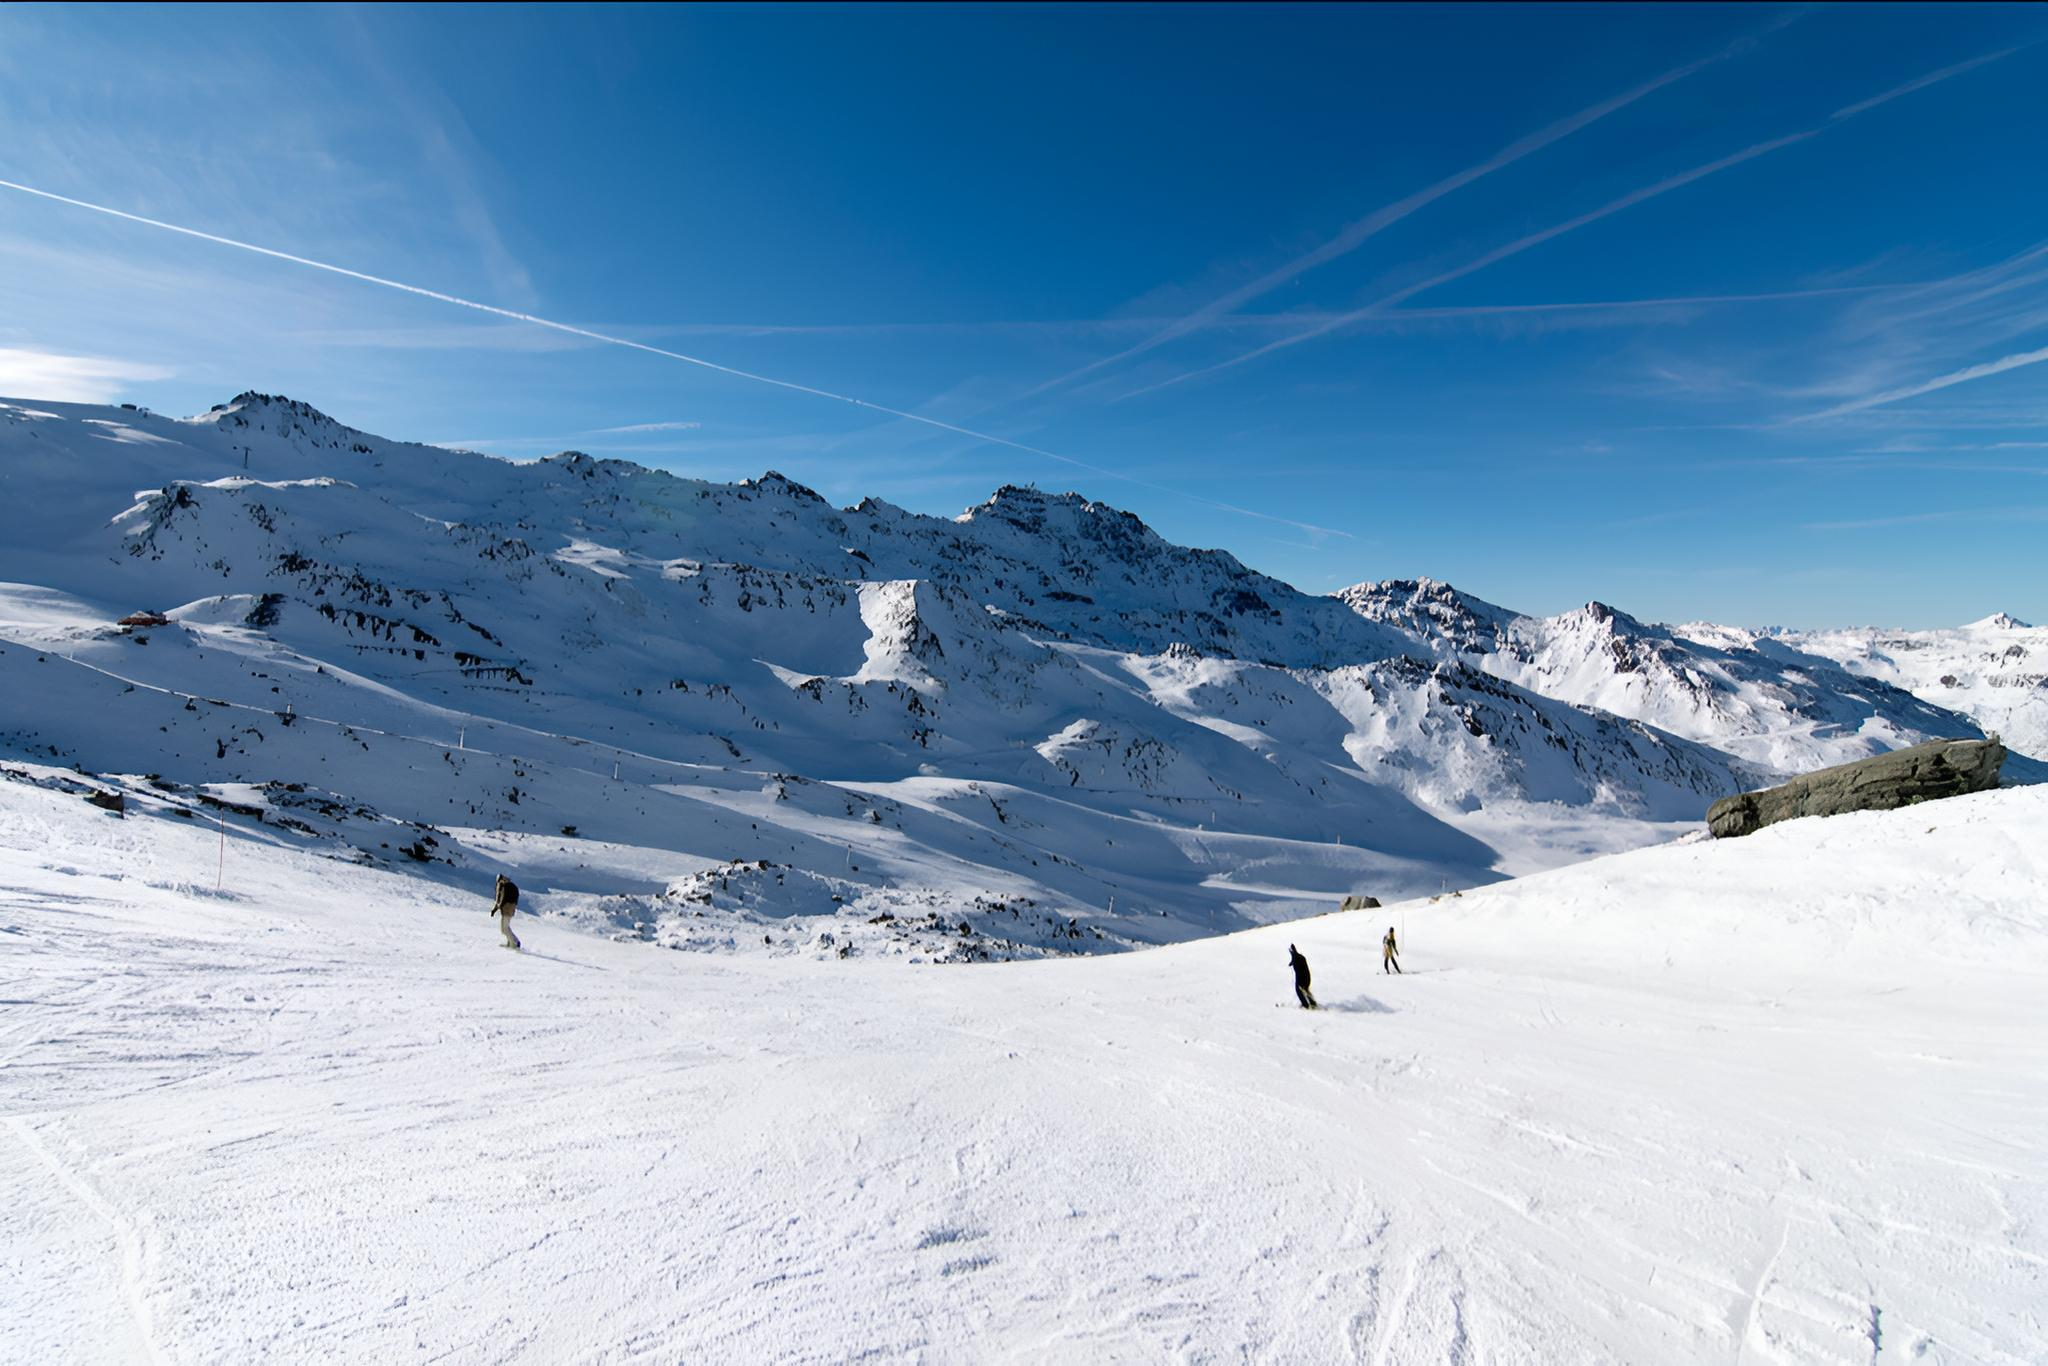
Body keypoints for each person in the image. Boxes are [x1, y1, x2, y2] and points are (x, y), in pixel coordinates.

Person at [492, 873, 522, 951]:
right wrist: (496, 909)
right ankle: (511, 943)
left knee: (504, 929)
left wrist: (498, 907)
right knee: (506, 927)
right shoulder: (510, 885)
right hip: (509, 909)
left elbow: (503, 898)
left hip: (507, 909)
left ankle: (513, 944)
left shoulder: (506, 886)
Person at [1287, 943, 1317, 1009]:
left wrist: (1292, 962)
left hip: (1301, 979)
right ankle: (1313, 1003)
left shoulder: (1295, 959)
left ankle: (1305, 1005)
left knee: (1299, 991)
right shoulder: (1301, 957)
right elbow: (1295, 959)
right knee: (1306, 990)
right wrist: (1291, 963)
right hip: (1307, 978)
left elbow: (1298, 967)